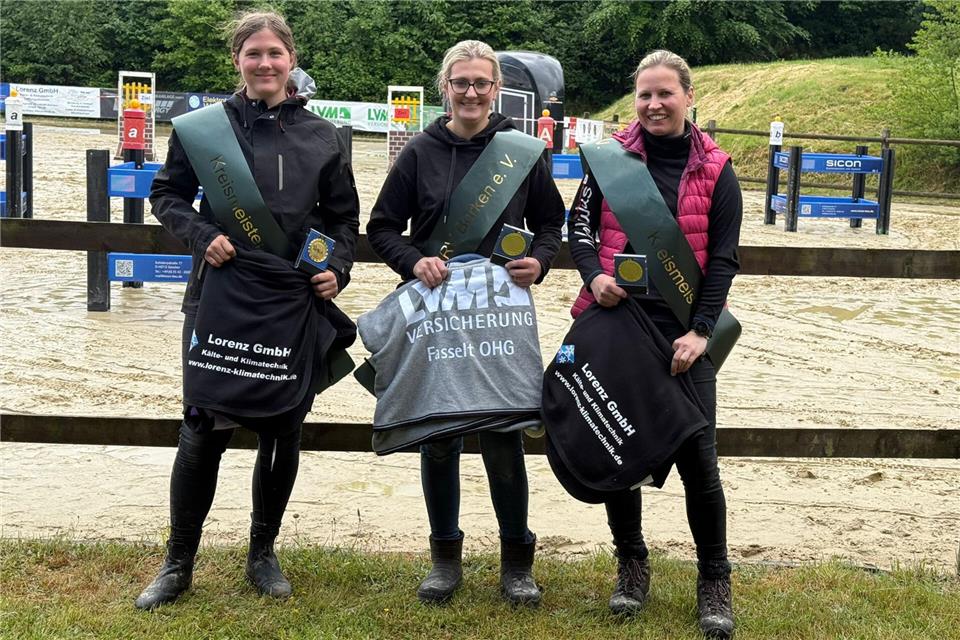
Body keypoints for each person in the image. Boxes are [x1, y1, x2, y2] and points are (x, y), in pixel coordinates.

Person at [136, 10, 359, 610]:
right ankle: (178, 559)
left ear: (291, 60)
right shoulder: (202, 128)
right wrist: (199, 233)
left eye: (275, 54)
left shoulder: (325, 136)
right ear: (238, 61)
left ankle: (263, 553)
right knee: (202, 426)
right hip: (220, 295)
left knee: (283, 429)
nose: (265, 63)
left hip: (291, 301)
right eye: (253, 54)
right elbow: (167, 195)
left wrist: (336, 268)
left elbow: (343, 222)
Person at [366, 40, 565, 606]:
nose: (471, 92)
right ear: (445, 88)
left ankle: (517, 562)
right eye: (461, 83)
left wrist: (541, 261)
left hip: (501, 316)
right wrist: (413, 260)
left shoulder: (521, 153)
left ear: (496, 88)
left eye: (481, 82)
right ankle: (444, 560)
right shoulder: (419, 152)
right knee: (441, 438)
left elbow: (553, 224)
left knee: (504, 435)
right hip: (437, 314)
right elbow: (382, 228)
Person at [565, 50, 741, 638]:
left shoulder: (718, 170)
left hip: (685, 334)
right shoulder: (609, 160)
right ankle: (631, 566)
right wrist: (593, 276)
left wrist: (701, 330)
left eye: (665, 93)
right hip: (617, 326)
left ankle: (714, 579)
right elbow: (579, 227)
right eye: (644, 94)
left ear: (689, 98)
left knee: (699, 459)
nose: (654, 104)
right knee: (620, 450)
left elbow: (723, 260)